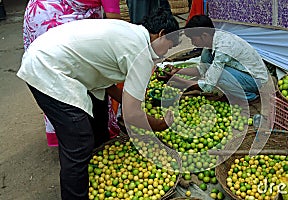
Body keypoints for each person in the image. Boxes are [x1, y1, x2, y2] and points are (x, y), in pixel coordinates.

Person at [17, 9, 179, 200]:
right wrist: (161, 124)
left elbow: (109, 85)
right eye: (169, 46)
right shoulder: (140, 52)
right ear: (161, 35)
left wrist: (132, 105)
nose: (166, 52)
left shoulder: (129, 32)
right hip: (47, 68)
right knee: (79, 140)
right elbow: (132, 114)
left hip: (46, 56)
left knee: (98, 114)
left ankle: (99, 167)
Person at [23, 0, 122, 147]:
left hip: (42, 13)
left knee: (69, 81)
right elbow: (115, 27)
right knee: (70, 85)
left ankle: (78, 136)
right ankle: (81, 141)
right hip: (54, 18)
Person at [165, 15, 269, 102]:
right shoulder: (211, 42)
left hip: (256, 80)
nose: (192, 43)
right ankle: (235, 90)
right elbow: (202, 69)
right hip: (241, 71)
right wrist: (177, 71)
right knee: (207, 58)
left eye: (192, 39)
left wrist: (181, 82)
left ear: (204, 36)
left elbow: (209, 84)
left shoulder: (224, 47)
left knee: (221, 75)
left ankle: (249, 96)